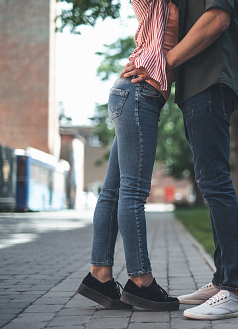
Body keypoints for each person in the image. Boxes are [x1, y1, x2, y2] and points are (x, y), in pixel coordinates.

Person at [123, 0, 238, 320]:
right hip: (198, 81)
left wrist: (163, 61)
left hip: (210, 77)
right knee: (210, 182)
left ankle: (236, 290)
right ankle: (223, 279)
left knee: (215, 181)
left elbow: (218, 18)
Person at [76, 0, 180, 312]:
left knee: (113, 191)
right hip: (139, 94)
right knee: (132, 192)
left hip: (132, 94)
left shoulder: (170, 7)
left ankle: (101, 276)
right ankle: (141, 282)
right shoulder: (157, 4)